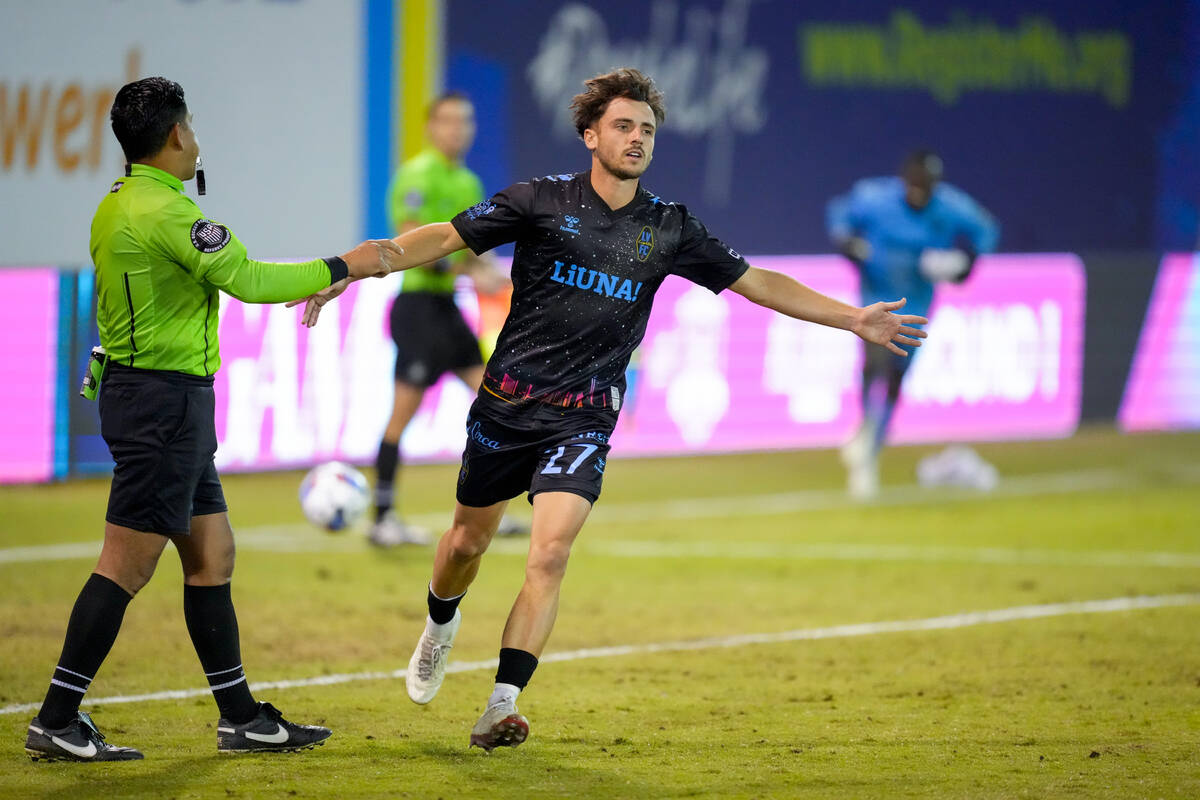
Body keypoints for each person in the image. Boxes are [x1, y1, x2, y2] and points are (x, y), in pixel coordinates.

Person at [293, 68, 927, 751]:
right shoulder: (537, 200)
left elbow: (758, 283)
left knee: (550, 554)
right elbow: (440, 238)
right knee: (464, 545)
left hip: (585, 416)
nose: (637, 138)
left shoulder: (669, 228)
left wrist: (852, 319)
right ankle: (440, 626)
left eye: (647, 130)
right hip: (506, 407)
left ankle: (500, 704)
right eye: (623, 126)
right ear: (590, 135)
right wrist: (348, 268)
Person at [23, 77, 401, 762]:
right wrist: (352, 263)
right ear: (175, 136)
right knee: (125, 567)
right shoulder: (168, 215)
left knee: (212, 556)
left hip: (167, 402)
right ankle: (55, 718)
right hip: (161, 406)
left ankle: (241, 719)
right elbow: (251, 281)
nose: (196, 137)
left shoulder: (119, 204)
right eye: (191, 126)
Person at [370, 91, 522, 547]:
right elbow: (405, 246)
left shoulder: (469, 184)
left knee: (498, 403)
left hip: (448, 311)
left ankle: (491, 509)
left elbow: (476, 249)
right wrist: (473, 269)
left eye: (466, 121)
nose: (458, 129)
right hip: (417, 310)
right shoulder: (415, 176)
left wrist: (483, 271)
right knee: (402, 415)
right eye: (449, 121)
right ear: (431, 128)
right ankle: (382, 518)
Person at [827, 150, 999, 499]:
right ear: (904, 180)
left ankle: (869, 448)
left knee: (895, 379)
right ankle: (865, 438)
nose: (920, 191)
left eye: (927, 186)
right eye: (915, 183)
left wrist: (966, 262)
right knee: (873, 364)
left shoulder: (950, 207)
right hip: (874, 300)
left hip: (916, 309)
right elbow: (839, 213)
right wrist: (847, 241)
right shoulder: (875, 198)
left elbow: (986, 230)